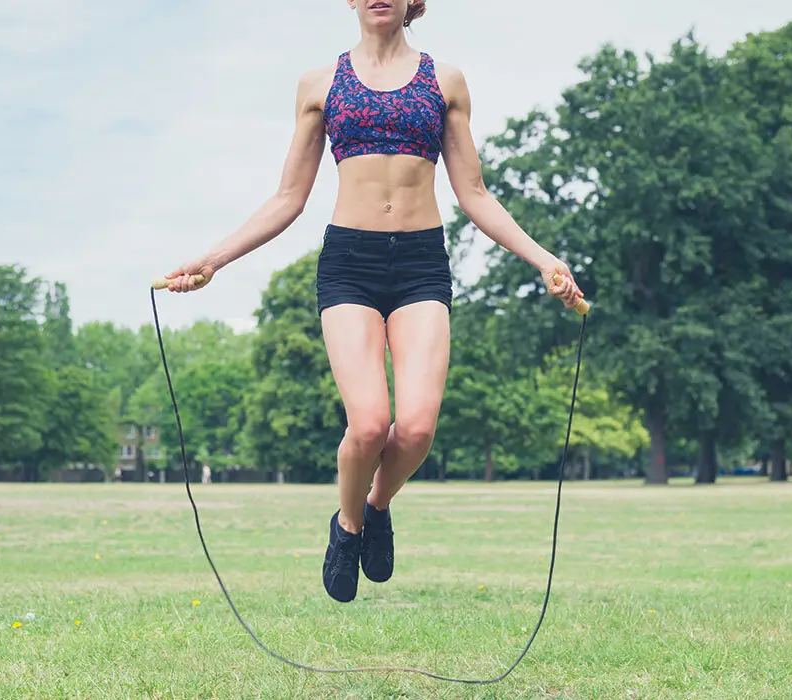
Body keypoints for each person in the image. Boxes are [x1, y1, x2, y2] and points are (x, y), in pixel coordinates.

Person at [162, 0, 584, 603]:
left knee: (414, 428)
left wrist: (544, 258)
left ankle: (377, 505)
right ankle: (347, 526)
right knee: (369, 424)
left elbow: (474, 194)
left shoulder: (445, 81)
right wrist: (212, 260)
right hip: (350, 266)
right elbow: (288, 197)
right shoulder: (320, 84)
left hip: (419, 265)